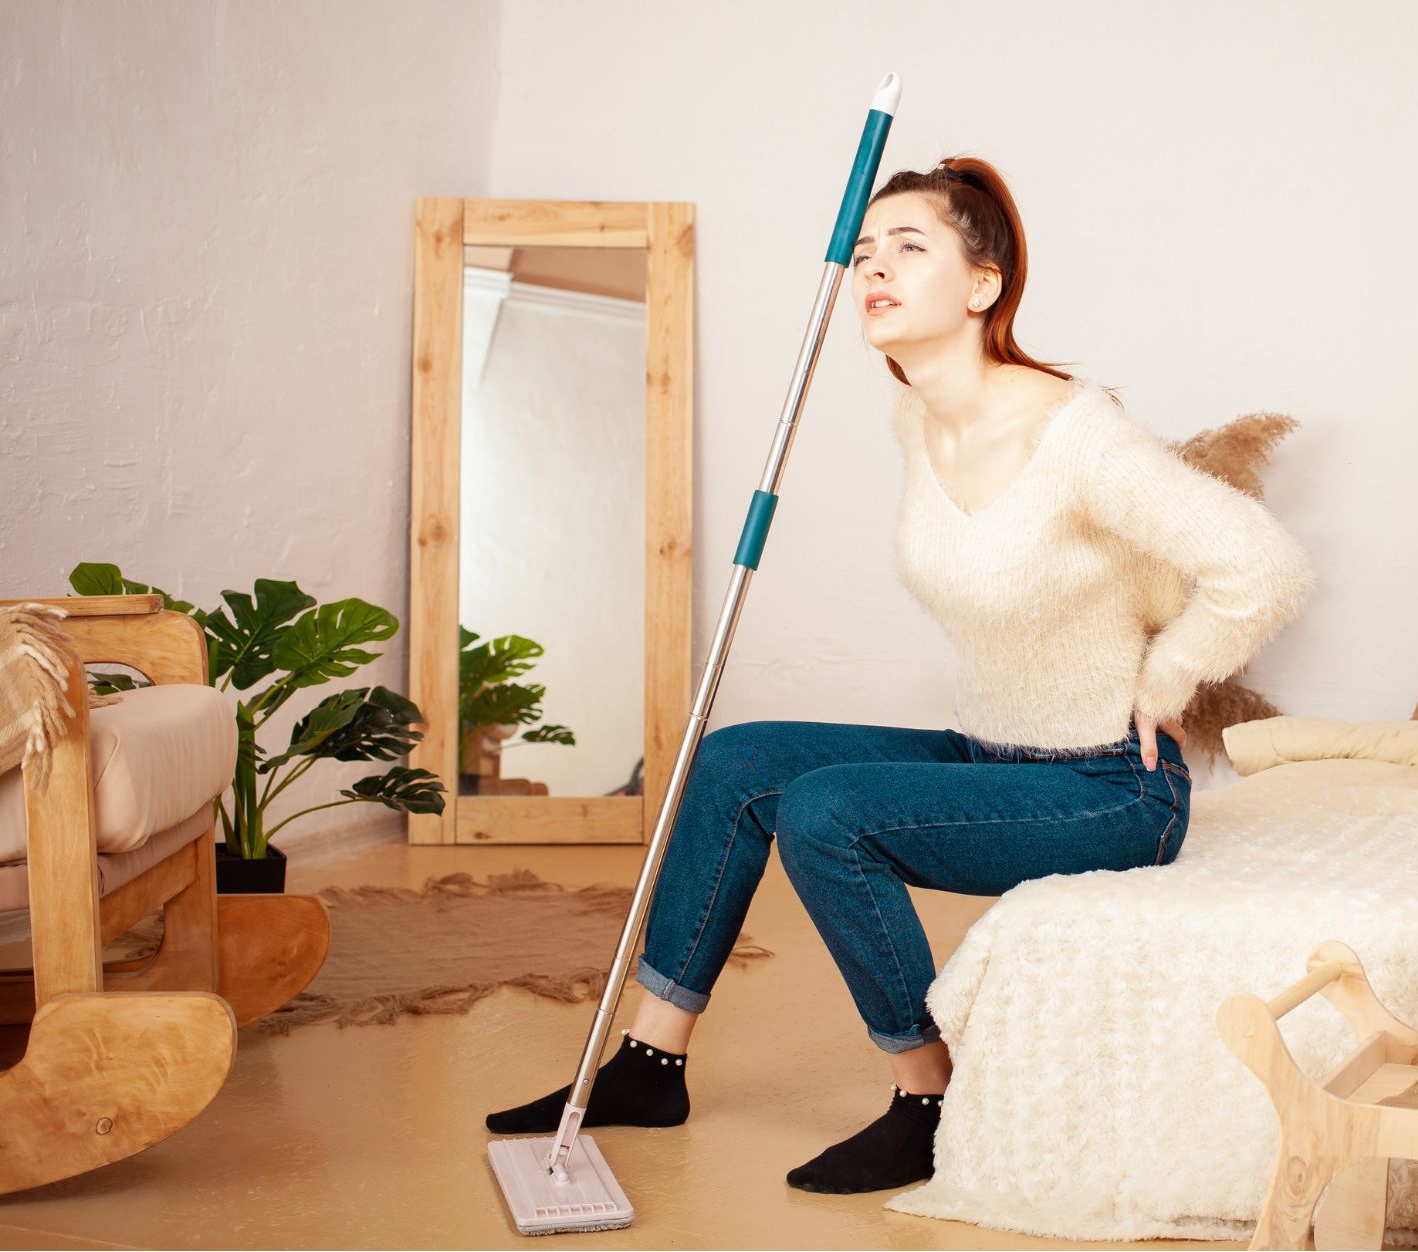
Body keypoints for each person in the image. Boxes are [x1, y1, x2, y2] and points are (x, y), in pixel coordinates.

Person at [485, 157, 1316, 1195]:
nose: (874, 268)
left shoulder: (1074, 434)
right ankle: (651, 1063)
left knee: (827, 812)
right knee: (737, 762)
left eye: (909, 248)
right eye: (865, 251)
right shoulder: (915, 420)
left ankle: (927, 1098)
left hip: (1109, 788)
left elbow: (1265, 565)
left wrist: (1167, 678)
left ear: (982, 284)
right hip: (989, 757)